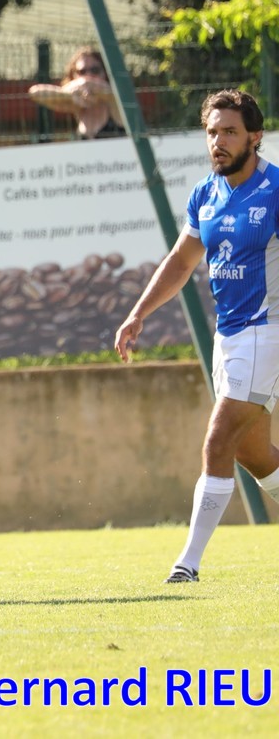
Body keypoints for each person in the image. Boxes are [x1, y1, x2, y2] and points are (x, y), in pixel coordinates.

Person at [114, 88, 279, 583]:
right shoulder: (206, 193)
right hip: (229, 337)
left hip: (267, 331)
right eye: (211, 132)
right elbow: (182, 261)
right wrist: (138, 313)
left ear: (255, 137)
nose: (218, 142)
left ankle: (187, 564)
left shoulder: (275, 190)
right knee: (252, 453)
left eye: (230, 132)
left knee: (217, 439)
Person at [28, 47, 126, 140]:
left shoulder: (114, 101)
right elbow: (35, 92)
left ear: (105, 72)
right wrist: (70, 93)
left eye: (95, 70)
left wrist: (90, 85)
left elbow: (112, 94)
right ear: (74, 75)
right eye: (82, 72)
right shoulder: (78, 105)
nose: (88, 75)